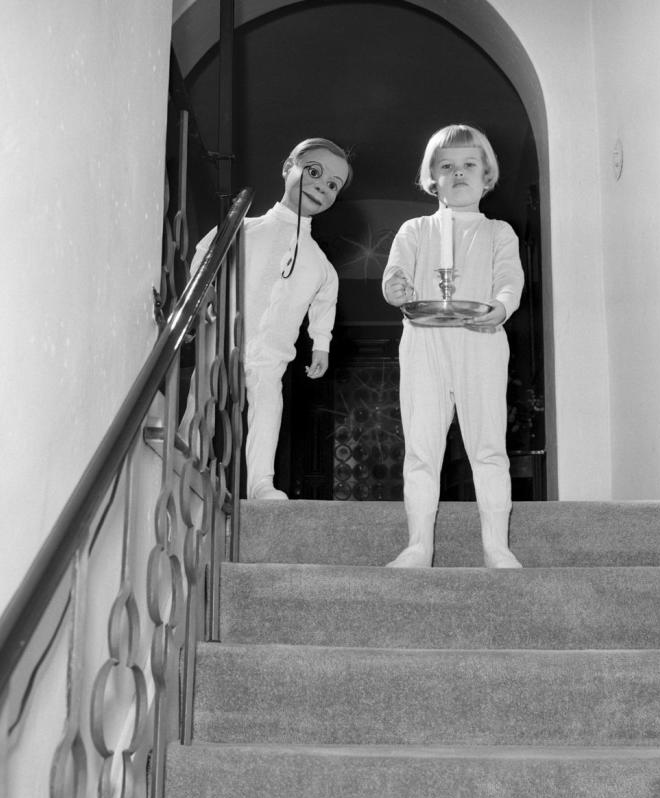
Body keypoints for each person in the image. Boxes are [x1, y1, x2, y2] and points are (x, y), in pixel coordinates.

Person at [382, 124, 524, 567]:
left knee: (487, 445)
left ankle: (496, 546)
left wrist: (500, 309)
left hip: (480, 342)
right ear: (432, 179)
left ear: (487, 177)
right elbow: (394, 277)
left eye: (468, 165)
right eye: (447, 167)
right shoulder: (415, 229)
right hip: (424, 341)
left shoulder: (499, 231)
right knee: (422, 446)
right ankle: (418, 544)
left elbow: (509, 280)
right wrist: (398, 288)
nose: (458, 174)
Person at [187, 137, 351, 500]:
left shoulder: (320, 264)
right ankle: (189, 449)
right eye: (314, 172)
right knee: (205, 393)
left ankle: (261, 481)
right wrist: (202, 293)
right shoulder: (243, 228)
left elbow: (325, 305)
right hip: (224, 337)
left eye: (332, 186)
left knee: (267, 405)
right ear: (287, 168)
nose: (321, 187)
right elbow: (204, 253)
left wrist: (321, 346)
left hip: (272, 354)